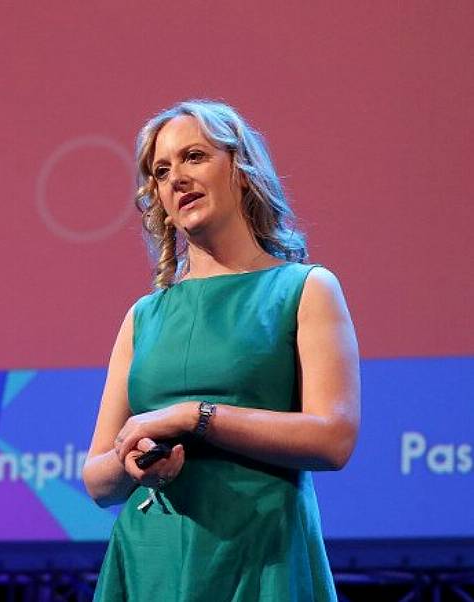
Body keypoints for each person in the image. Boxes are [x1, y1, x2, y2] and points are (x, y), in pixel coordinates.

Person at [81, 99, 360, 601]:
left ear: (241, 168)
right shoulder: (143, 317)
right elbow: (97, 479)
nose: (176, 178)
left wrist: (194, 416)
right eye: (161, 170)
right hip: (152, 560)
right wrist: (133, 458)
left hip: (260, 555)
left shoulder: (305, 289)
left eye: (193, 157)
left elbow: (333, 438)